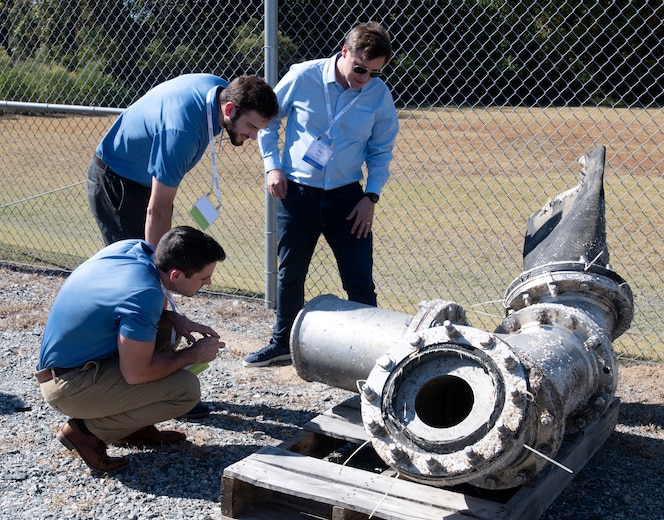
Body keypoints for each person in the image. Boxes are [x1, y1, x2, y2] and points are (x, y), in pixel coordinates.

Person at [243, 21, 399, 367]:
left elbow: (381, 149)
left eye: (374, 73)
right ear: (345, 52)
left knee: (359, 278)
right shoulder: (303, 76)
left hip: (348, 199)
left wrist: (369, 197)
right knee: (291, 272)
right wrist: (273, 166)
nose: (365, 78)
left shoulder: (378, 95)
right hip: (297, 192)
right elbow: (268, 121)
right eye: (360, 68)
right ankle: (282, 343)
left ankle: (371, 354)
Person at [36, 226, 226, 473]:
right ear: (176, 275)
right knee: (186, 390)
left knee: (165, 331)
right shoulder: (145, 295)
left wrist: (174, 319)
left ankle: (132, 425)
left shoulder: (136, 249)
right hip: (68, 386)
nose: (209, 281)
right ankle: (85, 434)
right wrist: (193, 355)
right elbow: (136, 374)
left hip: (70, 367)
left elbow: (120, 306)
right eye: (204, 277)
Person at [88, 73, 280, 249]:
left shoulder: (219, 91)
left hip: (141, 180)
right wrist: (160, 278)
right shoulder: (182, 133)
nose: (254, 137)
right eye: (251, 126)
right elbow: (158, 210)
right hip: (117, 183)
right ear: (229, 109)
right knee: (133, 271)